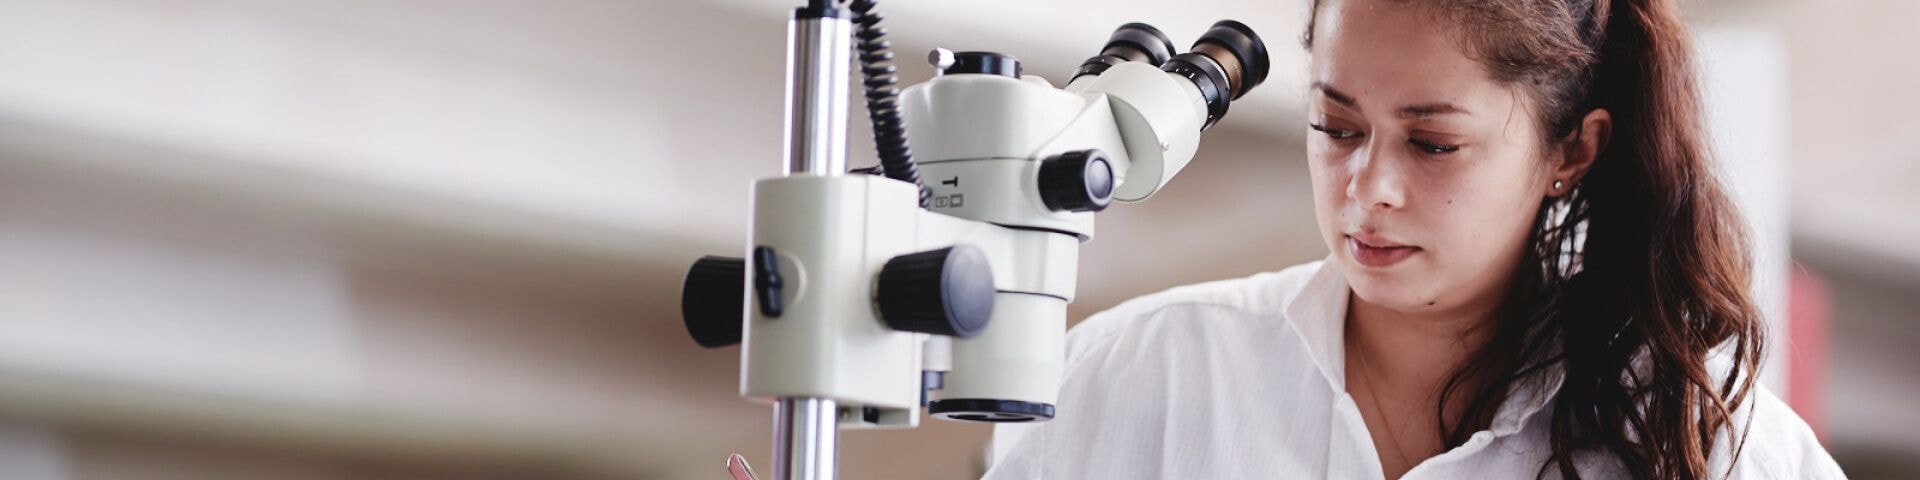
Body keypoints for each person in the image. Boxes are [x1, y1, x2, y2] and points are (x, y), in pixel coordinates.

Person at [982, 0, 1846, 478]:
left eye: (1433, 144)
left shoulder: (1704, 443)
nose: (1369, 189)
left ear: (1572, 150)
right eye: (1336, 126)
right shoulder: (1139, 373)